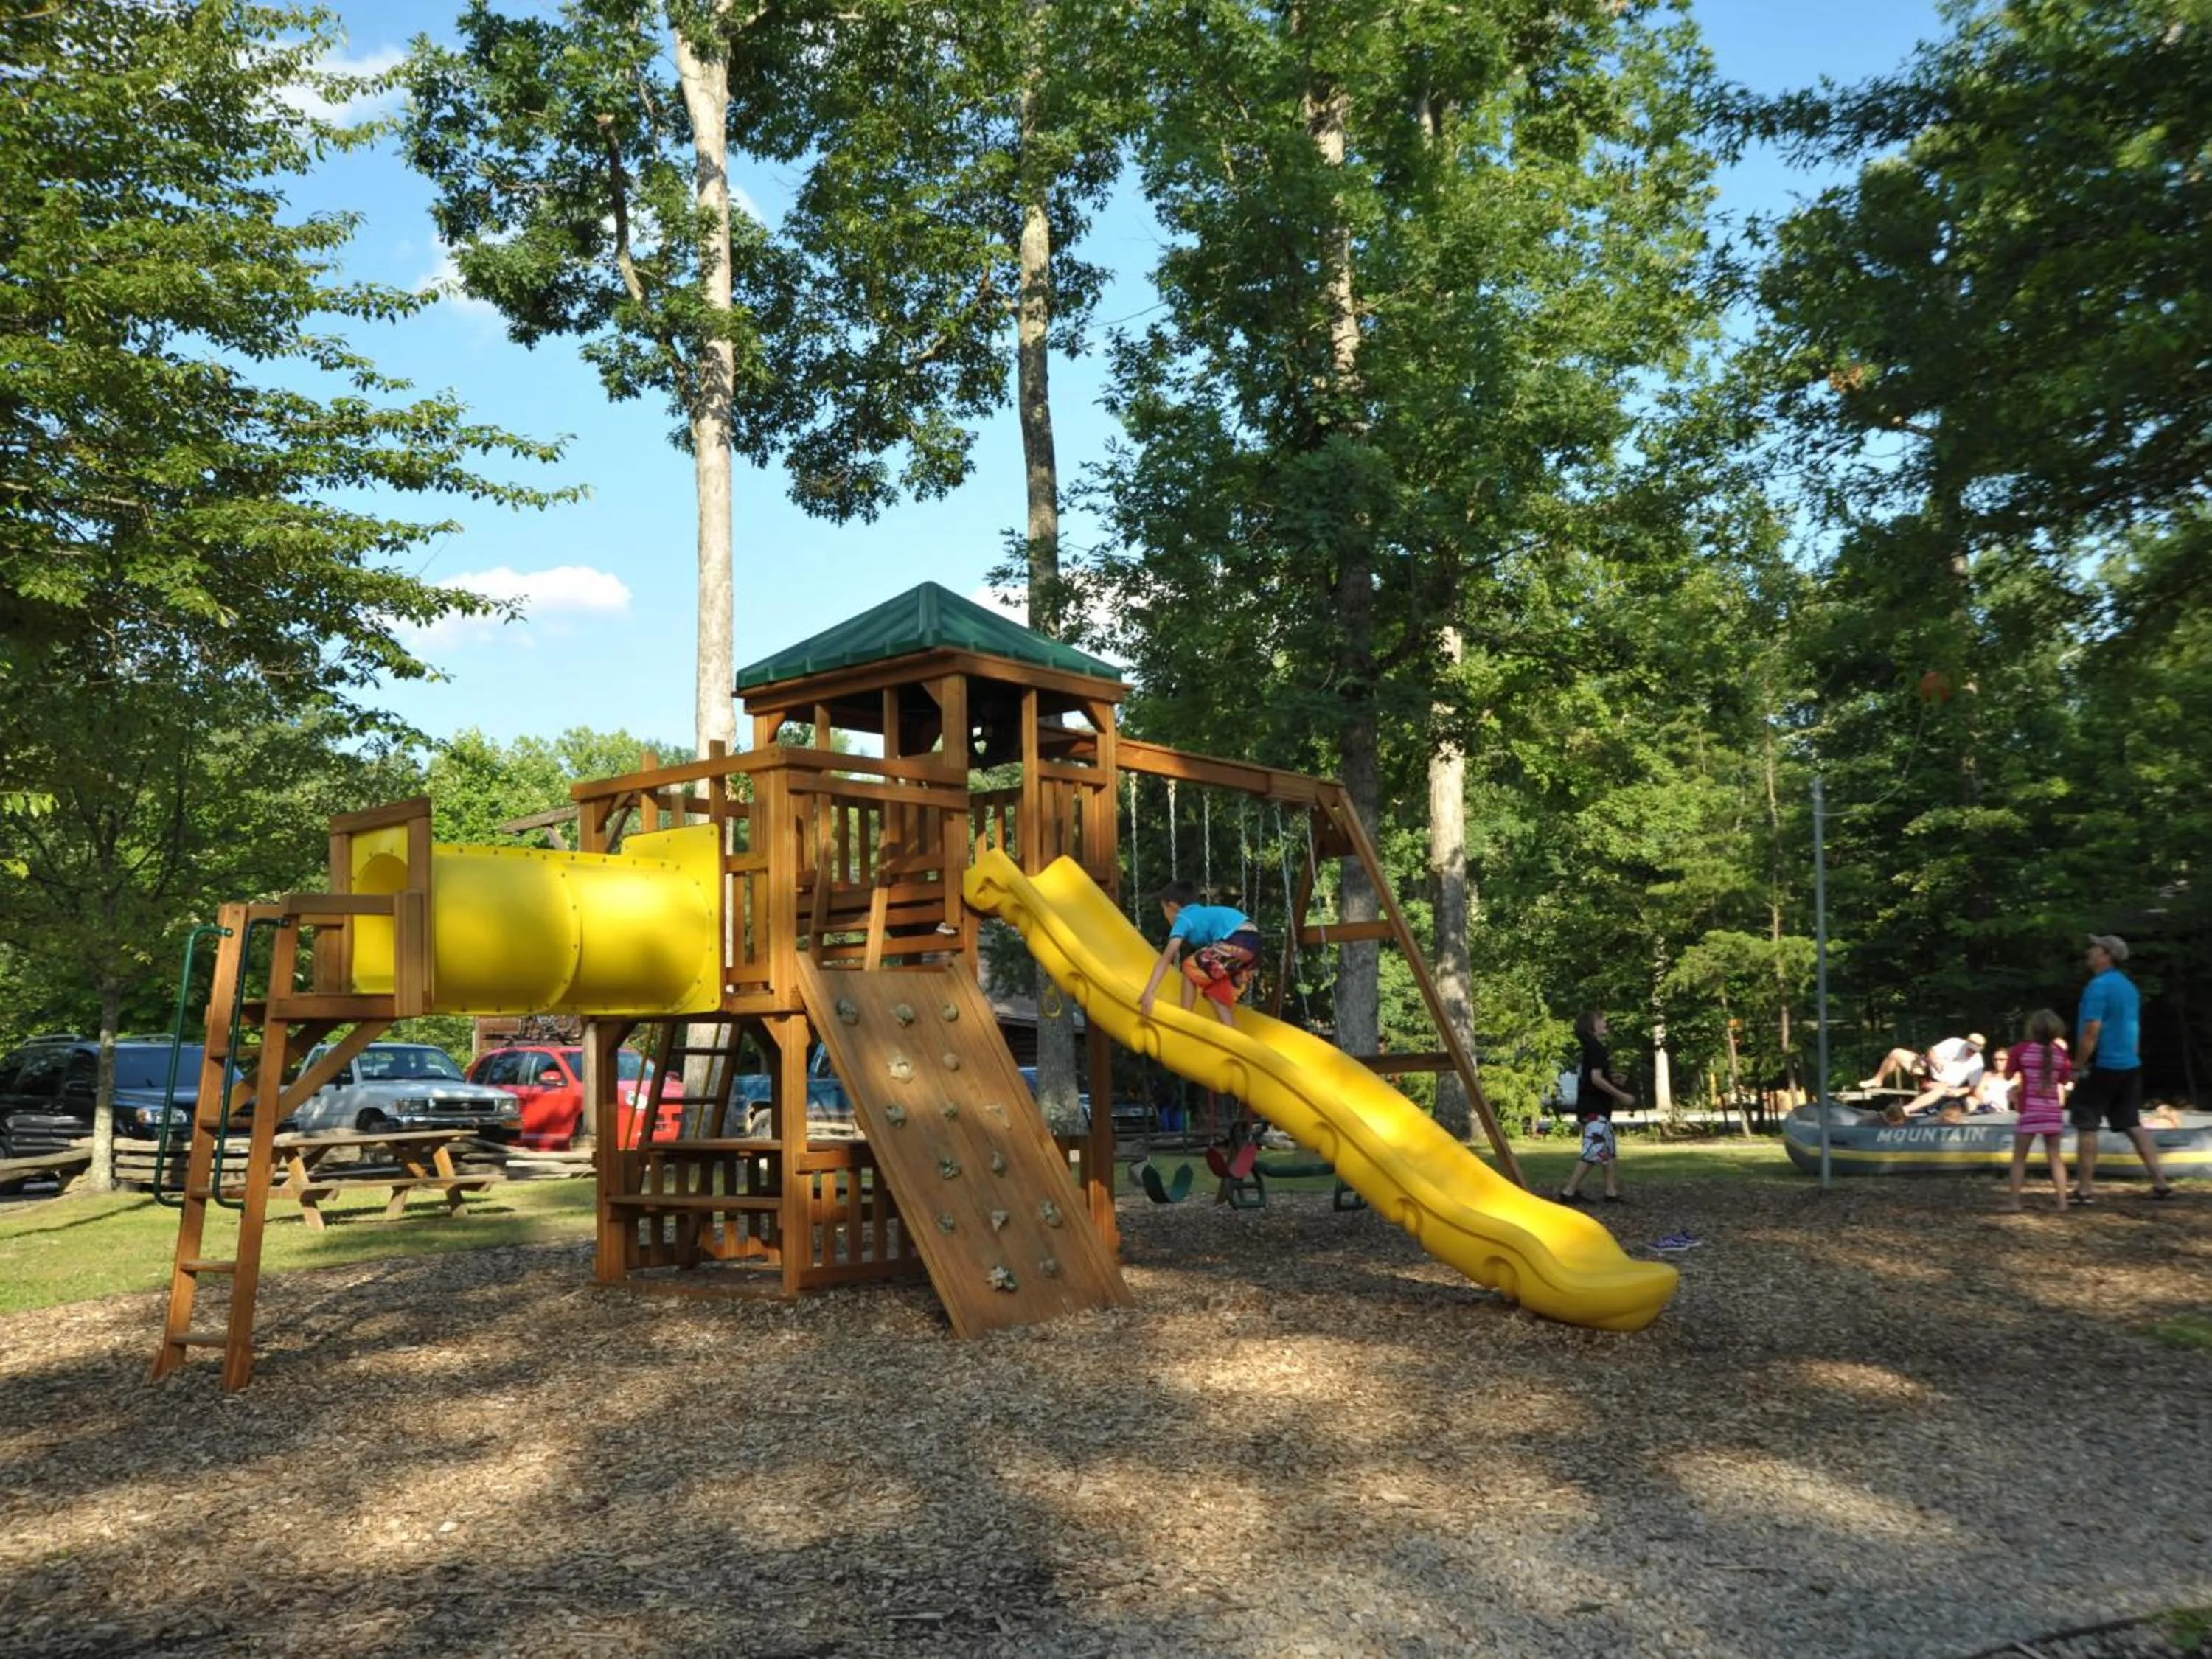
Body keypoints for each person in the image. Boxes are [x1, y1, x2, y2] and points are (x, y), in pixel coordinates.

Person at [2070, 936, 2174, 1203]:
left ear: (2106, 955)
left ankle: (2084, 1190)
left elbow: (2092, 1030)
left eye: (2094, 948)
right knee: (2131, 1123)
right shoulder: (2128, 987)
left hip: (2101, 1065)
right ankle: (2160, 1183)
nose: (2089, 951)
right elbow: (2133, 1027)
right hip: (2128, 1064)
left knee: (2087, 1125)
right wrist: (2131, 1057)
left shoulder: (2098, 987)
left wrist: (2077, 1065)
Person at [1138, 881, 1262, 1030]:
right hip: (1253, 946)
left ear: (1172, 906)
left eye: (1163, 909)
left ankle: (1185, 1019)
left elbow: (1167, 957)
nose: (1165, 916)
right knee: (1217, 994)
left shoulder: (1183, 917)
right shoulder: (1200, 913)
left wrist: (1149, 992)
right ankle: (1234, 1039)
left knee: (1189, 967)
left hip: (1238, 938)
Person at [1558, 1011, 1637, 1204]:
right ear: (1591, 1027)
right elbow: (1595, 1079)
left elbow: (1592, 1078)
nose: (1605, 1023)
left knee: (1608, 1150)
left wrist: (1613, 1078)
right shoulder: (1596, 1049)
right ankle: (1569, 1192)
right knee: (1594, 1150)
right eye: (1601, 1020)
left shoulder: (1591, 1048)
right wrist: (1621, 1095)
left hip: (1594, 1108)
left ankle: (1611, 1193)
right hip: (1594, 1110)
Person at [2000, 1012, 2071, 1212]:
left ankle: (2014, 1202)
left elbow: (2007, 1075)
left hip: (2030, 1109)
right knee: (2055, 1157)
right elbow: (2064, 1080)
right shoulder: (2059, 1053)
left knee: (2019, 1158)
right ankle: (2062, 1202)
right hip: (2052, 1111)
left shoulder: (2021, 1049)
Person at [1971, 1048, 2018, 1113]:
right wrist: (1987, 1103)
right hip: (1986, 1106)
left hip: (2002, 1110)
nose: (1998, 1062)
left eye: (2002, 1060)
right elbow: (1978, 1092)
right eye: (1995, 1060)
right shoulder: (1988, 1074)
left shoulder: (2016, 1076)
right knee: (1970, 1101)